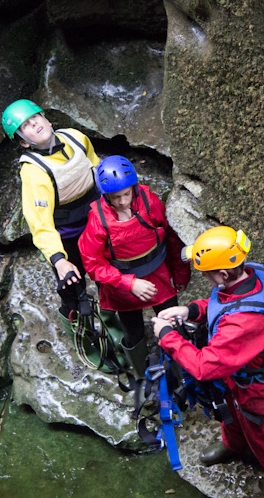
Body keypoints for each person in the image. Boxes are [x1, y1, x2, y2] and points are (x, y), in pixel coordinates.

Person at [152, 226, 264, 497]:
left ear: (223, 274)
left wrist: (167, 337)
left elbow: (203, 366)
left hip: (262, 389)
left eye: (207, 274)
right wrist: (190, 310)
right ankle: (233, 444)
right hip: (237, 375)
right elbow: (223, 304)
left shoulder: (247, 322)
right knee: (230, 413)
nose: (206, 279)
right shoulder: (252, 275)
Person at [79, 155, 190, 378]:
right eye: (115, 197)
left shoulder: (149, 202)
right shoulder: (98, 220)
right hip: (123, 286)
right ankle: (141, 375)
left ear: (134, 188)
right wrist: (128, 283)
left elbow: (170, 236)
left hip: (158, 276)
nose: (122, 202)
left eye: (126, 194)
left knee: (172, 321)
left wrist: (180, 273)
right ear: (105, 195)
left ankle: (182, 371)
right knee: (134, 332)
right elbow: (93, 264)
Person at [1, 98, 100, 320]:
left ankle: (116, 319)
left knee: (109, 275)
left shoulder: (76, 137)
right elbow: (40, 222)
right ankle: (74, 322)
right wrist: (59, 259)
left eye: (35, 117)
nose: (34, 124)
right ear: (24, 142)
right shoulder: (34, 172)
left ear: (47, 119)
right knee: (73, 289)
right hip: (68, 235)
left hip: (97, 220)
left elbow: (96, 168)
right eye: (25, 126)